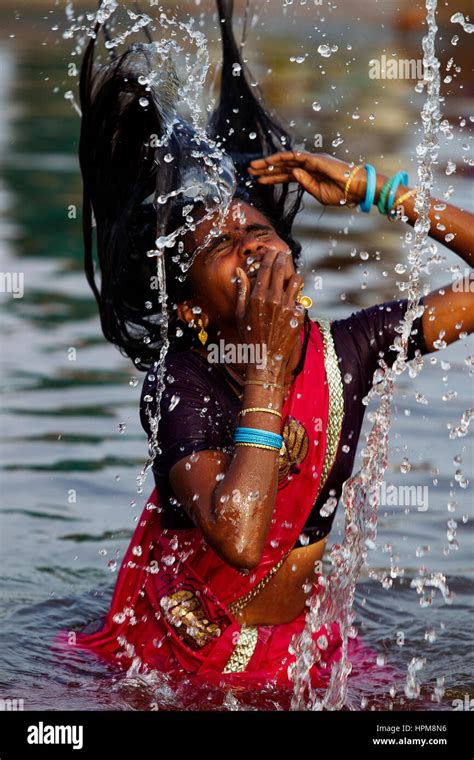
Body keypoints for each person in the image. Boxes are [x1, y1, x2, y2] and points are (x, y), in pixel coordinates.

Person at [56, 1, 473, 694]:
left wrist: (375, 190)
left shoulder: (350, 351)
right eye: (219, 243)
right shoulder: (181, 384)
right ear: (190, 305)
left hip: (309, 648)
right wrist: (267, 370)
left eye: (257, 228)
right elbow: (240, 538)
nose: (249, 242)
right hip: (185, 664)